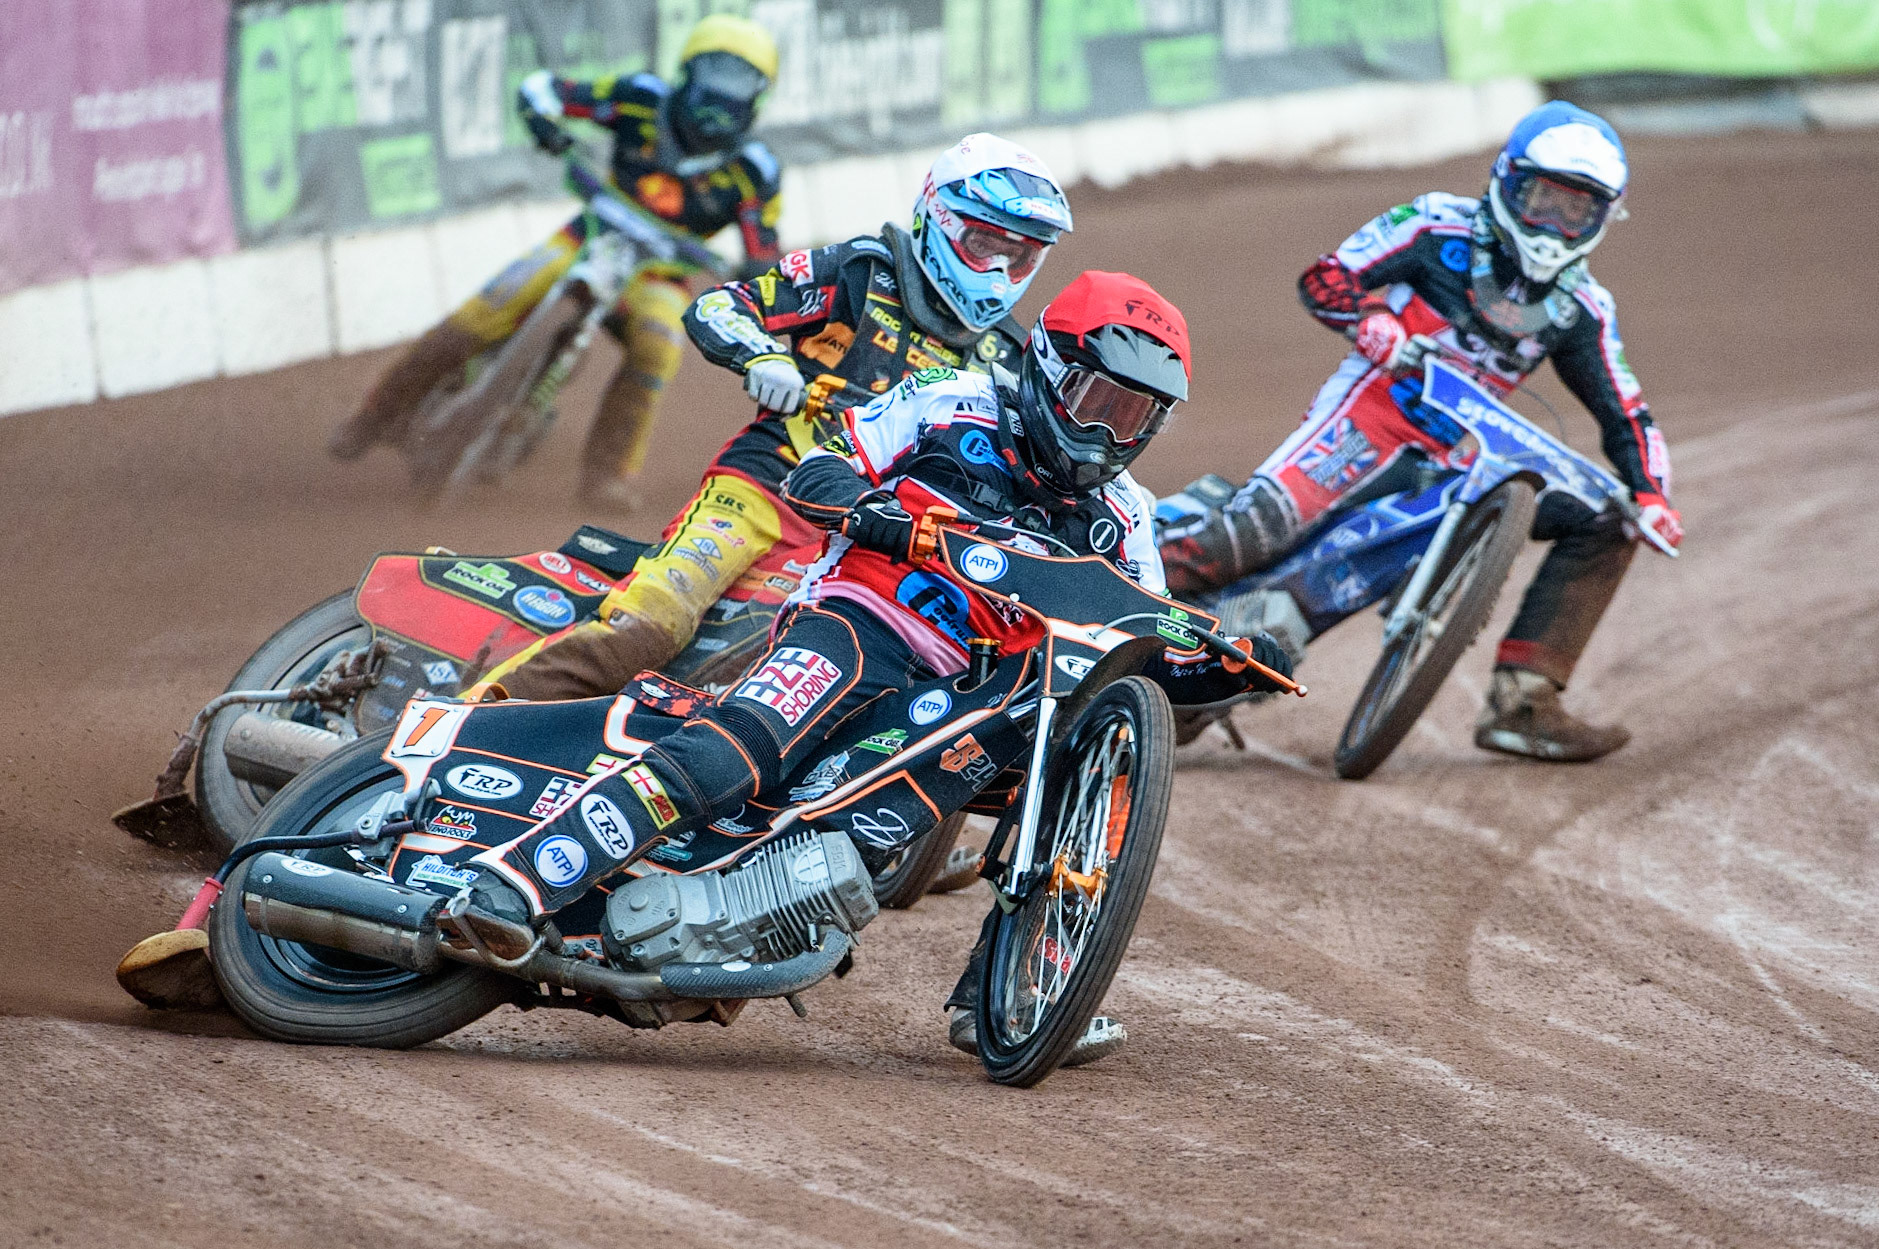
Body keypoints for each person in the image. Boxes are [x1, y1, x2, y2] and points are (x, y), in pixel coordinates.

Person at [463, 272, 1294, 1063]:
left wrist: (1230, 666)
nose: (1112, 433)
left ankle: (1012, 985)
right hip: (865, 625)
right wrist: (877, 518)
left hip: (983, 697)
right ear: (1047, 366)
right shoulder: (951, 403)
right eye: (1099, 402)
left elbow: (1140, 644)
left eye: (1137, 416)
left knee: (1091, 755)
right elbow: (820, 467)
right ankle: (513, 883)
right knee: (728, 756)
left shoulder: (1126, 516)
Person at [1159, 101, 1681, 762]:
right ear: (1506, 182)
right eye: (1543, 200)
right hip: (1365, 414)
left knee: (1608, 517)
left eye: (1575, 211)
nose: (1553, 225)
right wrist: (1369, 317)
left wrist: (1652, 494)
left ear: (1603, 219)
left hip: (1458, 460)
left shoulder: (1583, 309)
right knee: (1244, 539)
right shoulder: (1435, 225)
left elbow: (1626, 412)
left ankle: (1524, 700)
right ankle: (1111, 585)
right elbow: (1327, 276)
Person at [490, 133, 1073, 700]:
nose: (998, 270)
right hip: (769, 488)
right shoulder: (861, 274)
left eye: (1018, 256)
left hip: (881, 543)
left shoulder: (1010, 359)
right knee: (649, 627)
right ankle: (464, 722)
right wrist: (765, 355)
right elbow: (721, 304)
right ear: (938, 220)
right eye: (983, 245)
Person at [327, 15, 784, 511]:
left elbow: (764, 246)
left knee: (659, 349)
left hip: (662, 274)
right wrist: (543, 120)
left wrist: (756, 270)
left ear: (758, 96)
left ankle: (608, 476)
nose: (721, 99)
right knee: (481, 314)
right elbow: (546, 89)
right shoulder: (639, 98)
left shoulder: (755, 173)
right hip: (588, 237)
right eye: (714, 77)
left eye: (738, 84)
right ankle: (373, 415)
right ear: (687, 72)